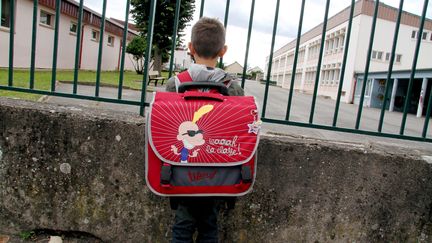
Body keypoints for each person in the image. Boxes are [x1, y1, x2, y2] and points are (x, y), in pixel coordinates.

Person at [165, 17, 244, 243]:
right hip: (219, 169)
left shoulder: (175, 84)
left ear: (190, 48)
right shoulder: (233, 88)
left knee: (182, 224)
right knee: (210, 225)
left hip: (182, 168)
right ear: (223, 50)